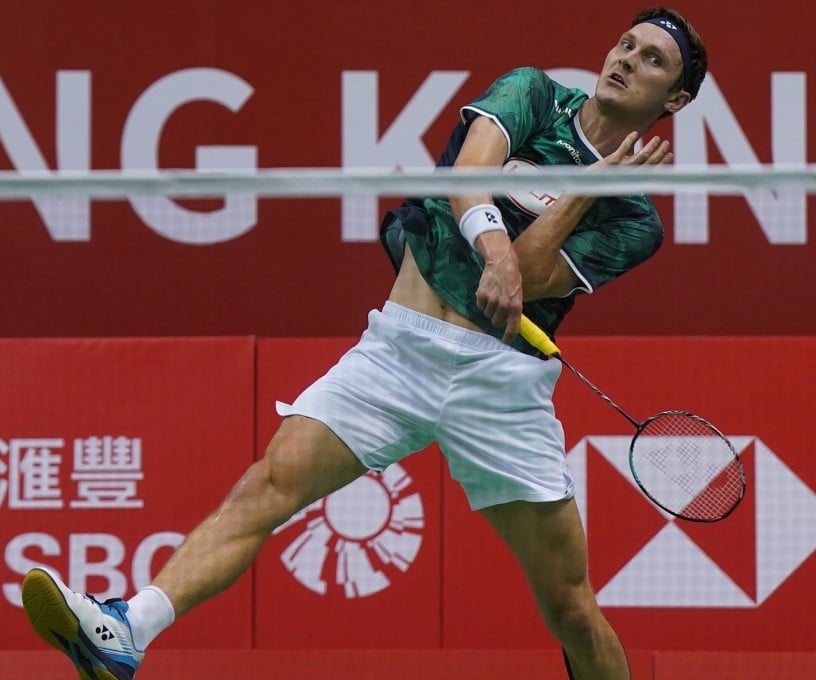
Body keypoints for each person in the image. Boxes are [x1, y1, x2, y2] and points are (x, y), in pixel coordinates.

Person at [21, 7, 708, 680]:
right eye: (625, 44)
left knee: (570, 609)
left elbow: (527, 276)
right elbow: (468, 175)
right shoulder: (532, 93)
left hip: (501, 386)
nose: (624, 60)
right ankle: (127, 630)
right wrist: (493, 245)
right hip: (400, 349)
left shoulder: (632, 220)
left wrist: (586, 191)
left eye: (651, 60)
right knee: (267, 486)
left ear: (673, 98)